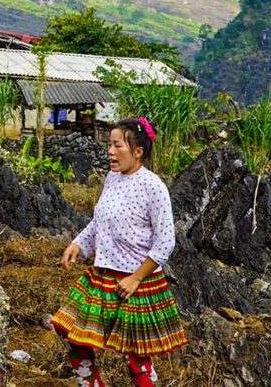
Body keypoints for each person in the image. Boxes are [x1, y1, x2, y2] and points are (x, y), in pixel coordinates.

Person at [52, 117, 187, 387]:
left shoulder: (153, 188)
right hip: (103, 276)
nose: (110, 152)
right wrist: (79, 244)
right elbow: (99, 221)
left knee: (137, 362)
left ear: (138, 152)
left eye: (117, 146)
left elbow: (165, 242)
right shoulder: (112, 179)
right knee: (68, 329)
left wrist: (136, 278)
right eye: (109, 145)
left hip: (137, 284)